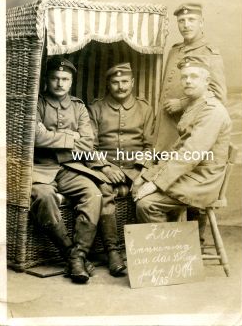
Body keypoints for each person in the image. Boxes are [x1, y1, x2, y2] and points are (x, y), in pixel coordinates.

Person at [133, 56, 231, 237]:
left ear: (207, 81)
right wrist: (147, 176)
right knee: (141, 189)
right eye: (184, 77)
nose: (188, 81)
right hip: (190, 173)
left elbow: (190, 154)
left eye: (194, 76)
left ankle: (169, 257)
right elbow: (176, 150)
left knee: (147, 204)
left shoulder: (211, 111)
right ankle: (176, 249)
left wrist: (155, 183)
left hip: (203, 179)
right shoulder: (196, 106)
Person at [31, 56, 102, 284]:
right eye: (54, 78)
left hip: (69, 167)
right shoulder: (37, 103)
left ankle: (79, 254)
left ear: (71, 82)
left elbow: (88, 143)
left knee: (94, 193)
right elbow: (35, 137)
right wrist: (71, 137)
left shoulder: (79, 107)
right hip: (40, 168)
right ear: (47, 80)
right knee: (44, 196)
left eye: (65, 79)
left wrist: (50, 137)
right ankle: (70, 254)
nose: (60, 83)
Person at [88, 62, 154, 276]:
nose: (120, 86)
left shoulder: (145, 108)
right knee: (104, 192)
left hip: (135, 168)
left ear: (133, 83)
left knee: (148, 195)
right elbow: (89, 145)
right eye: (115, 82)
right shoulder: (96, 108)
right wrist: (106, 167)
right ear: (108, 84)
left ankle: (147, 252)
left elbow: (150, 145)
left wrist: (142, 172)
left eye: (125, 81)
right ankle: (113, 252)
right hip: (105, 167)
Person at [154, 3, 227, 153]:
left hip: (186, 132)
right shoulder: (174, 51)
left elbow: (219, 96)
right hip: (163, 130)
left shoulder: (210, 53)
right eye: (181, 21)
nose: (186, 25)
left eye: (191, 19)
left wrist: (182, 104)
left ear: (201, 23)